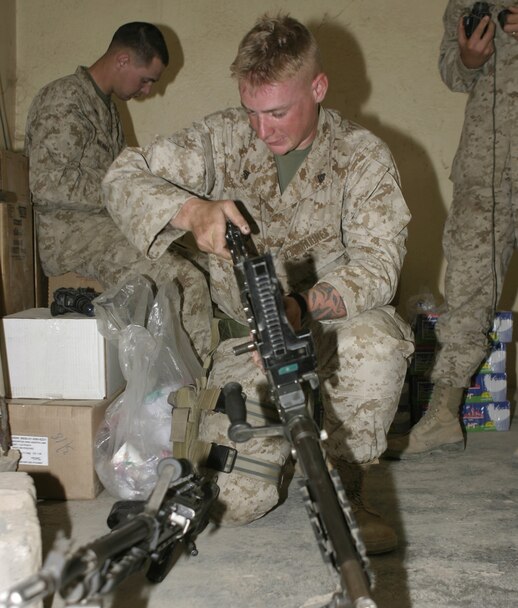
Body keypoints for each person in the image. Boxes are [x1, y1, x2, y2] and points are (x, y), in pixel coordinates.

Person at [103, 14, 414, 553]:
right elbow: (122, 177)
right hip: (247, 346)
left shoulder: (362, 156)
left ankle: (346, 483)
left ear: (317, 88)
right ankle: (287, 450)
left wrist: (300, 305)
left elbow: (379, 263)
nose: (262, 130)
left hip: (325, 331)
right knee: (233, 504)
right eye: (251, 112)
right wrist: (189, 210)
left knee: (375, 341)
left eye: (277, 112)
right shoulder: (221, 138)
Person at [25, 21, 213, 360]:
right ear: (123, 60)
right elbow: (48, 185)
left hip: (103, 226)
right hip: (69, 237)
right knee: (187, 281)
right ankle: (190, 394)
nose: (146, 92)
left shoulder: (106, 107)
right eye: (145, 80)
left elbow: (120, 180)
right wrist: (125, 196)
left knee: (207, 259)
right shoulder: (65, 98)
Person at [386, 2, 518, 459]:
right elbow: (453, 72)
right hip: (486, 168)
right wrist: (469, 59)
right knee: (467, 288)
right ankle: (444, 414)